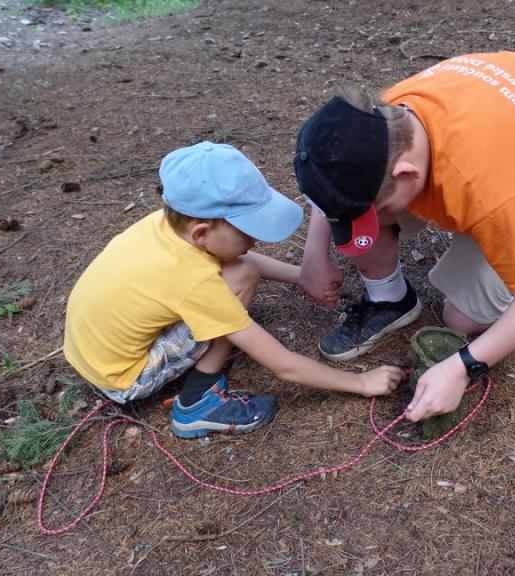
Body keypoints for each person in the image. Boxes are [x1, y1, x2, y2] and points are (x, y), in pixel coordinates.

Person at [293, 51, 515, 422]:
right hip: (498, 145)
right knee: (369, 216)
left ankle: (500, 239)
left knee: (460, 320)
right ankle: (390, 300)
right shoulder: (383, 120)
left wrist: (464, 365)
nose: (361, 222)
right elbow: (333, 180)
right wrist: (314, 256)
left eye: (373, 209)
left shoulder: (491, 191)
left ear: (408, 175)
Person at [64, 142, 406, 438]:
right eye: (247, 230)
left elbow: (240, 260)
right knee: (236, 283)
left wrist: (303, 276)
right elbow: (284, 366)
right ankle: (198, 402)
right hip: (126, 376)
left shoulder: (166, 225)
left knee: (241, 270)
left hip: (93, 354)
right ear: (201, 233)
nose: (254, 239)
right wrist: (361, 382)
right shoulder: (194, 281)